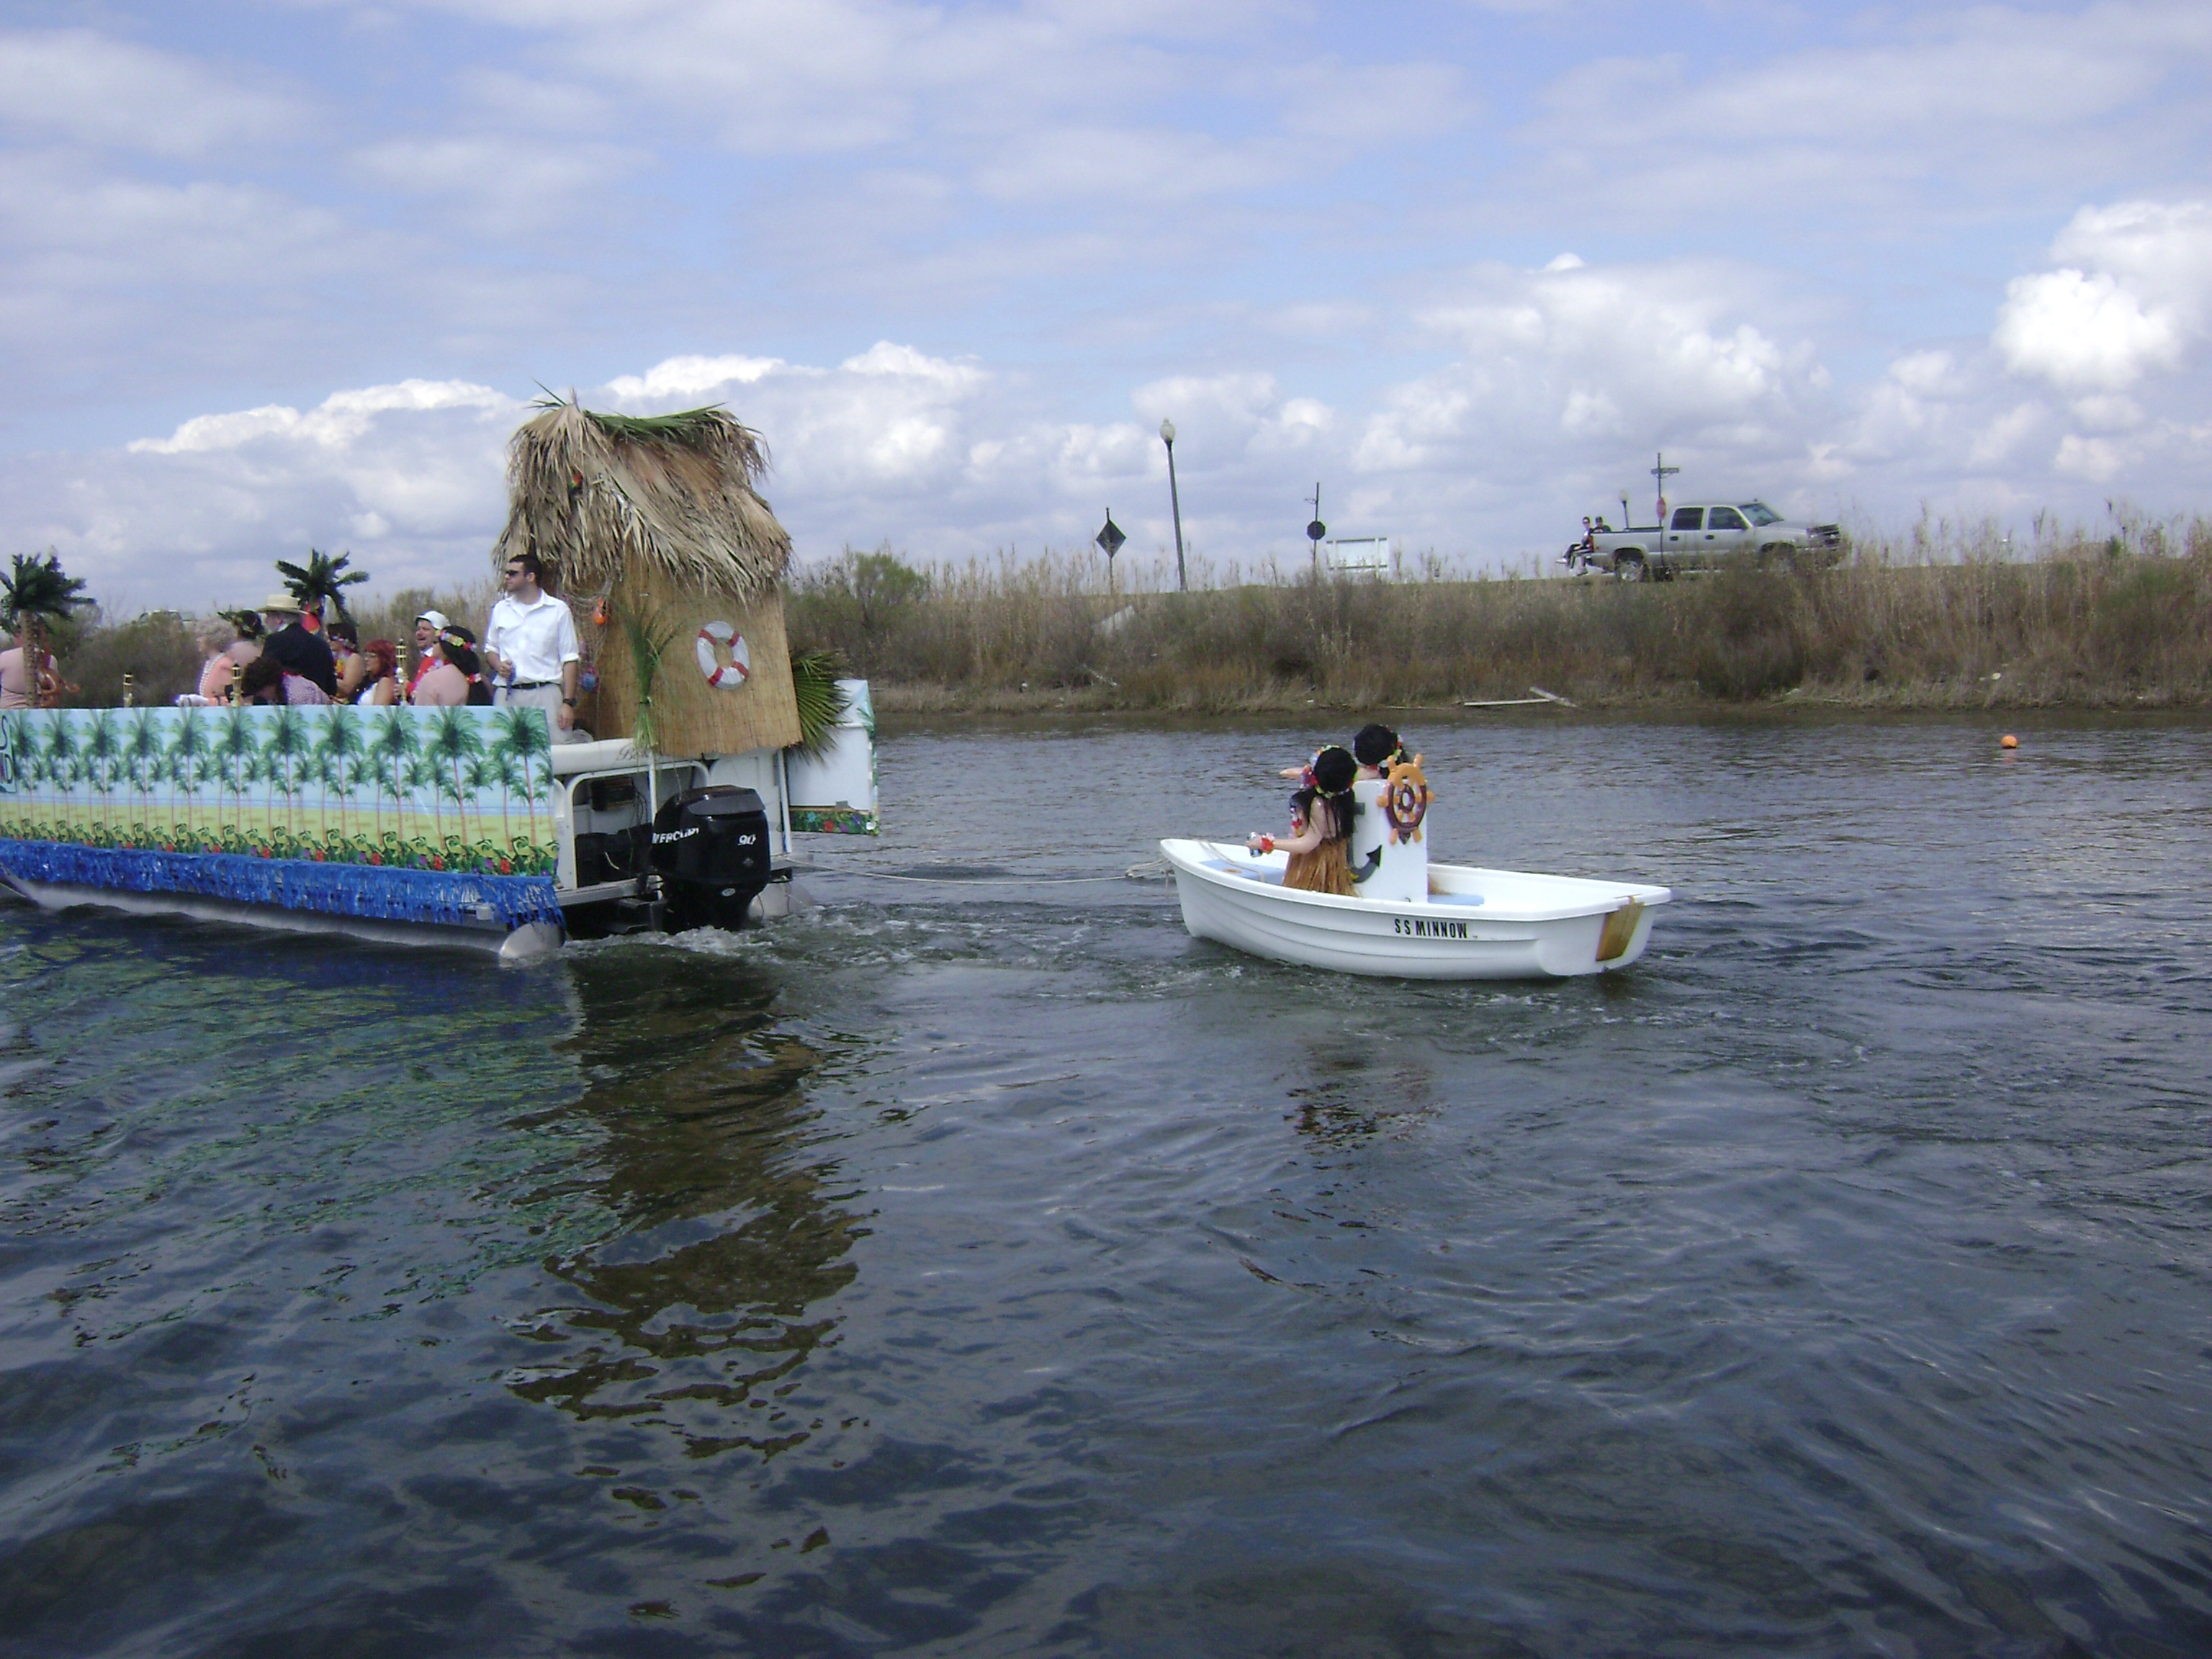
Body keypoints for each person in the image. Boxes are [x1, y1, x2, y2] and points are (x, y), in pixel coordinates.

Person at [482, 552, 584, 742]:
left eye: (513, 573)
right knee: (505, 751)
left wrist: (568, 703)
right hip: (508, 693)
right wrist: (498, 665)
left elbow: (570, 658)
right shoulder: (501, 609)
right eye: (506, 573)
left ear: (530, 577)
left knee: (556, 751)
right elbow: (491, 649)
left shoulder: (558, 610)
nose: (507, 577)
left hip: (545, 693)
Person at [1248, 745, 1358, 896]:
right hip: (1332, 854)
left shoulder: (1319, 804)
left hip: (1316, 860)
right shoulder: (1344, 796)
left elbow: (1309, 843)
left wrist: (1267, 844)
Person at [259, 593, 337, 697]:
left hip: (286, 703)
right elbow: (331, 687)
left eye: (268, 616)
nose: (266, 621)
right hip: (319, 703)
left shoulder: (275, 641)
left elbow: (264, 678)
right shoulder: (322, 644)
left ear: (278, 618)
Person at [196, 618, 263, 703]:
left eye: (201, 636)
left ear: (212, 639)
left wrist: (203, 702)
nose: (198, 640)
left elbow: (231, 700)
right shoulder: (210, 664)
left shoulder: (225, 665)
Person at [411, 628, 475, 708]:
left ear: (444, 648)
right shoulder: (477, 678)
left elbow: (423, 714)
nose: (434, 645)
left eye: (436, 642)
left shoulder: (432, 679)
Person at [240, 654, 331, 706]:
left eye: (261, 691)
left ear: (271, 684)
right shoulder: (276, 694)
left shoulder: (298, 694)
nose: (260, 695)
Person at [406, 609, 448, 699]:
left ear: (439, 634)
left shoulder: (441, 661)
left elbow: (427, 692)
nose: (419, 633)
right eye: (418, 629)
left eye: (425, 629)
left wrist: (407, 687)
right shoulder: (426, 658)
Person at [354, 639, 400, 706]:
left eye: (372, 656)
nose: (366, 659)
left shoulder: (386, 681)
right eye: (366, 656)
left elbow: (379, 710)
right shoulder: (366, 681)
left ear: (384, 660)